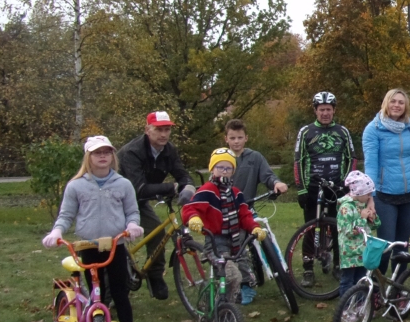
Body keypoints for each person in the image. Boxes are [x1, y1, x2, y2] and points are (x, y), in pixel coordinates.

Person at [42, 136, 145, 322]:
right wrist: (57, 232)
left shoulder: (123, 184)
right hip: (88, 247)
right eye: (97, 153)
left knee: (120, 293)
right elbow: (66, 215)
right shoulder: (76, 185)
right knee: (95, 294)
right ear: (88, 157)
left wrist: (132, 226)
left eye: (107, 152)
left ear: (112, 156)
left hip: (114, 245)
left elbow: (132, 212)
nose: (102, 157)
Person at [118, 111, 195, 300]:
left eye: (167, 129)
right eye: (158, 129)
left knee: (157, 233)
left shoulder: (169, 150)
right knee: (113, 244)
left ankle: (154, 276)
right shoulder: (132, 152)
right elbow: (140, 188)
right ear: (147, 130)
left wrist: (188, 187)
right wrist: (173, 187)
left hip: (140, 202)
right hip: (116, 200)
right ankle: (110, 292)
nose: (163, 134)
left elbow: (181, 173)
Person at [181, 149, 267, 306]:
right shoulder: (208, 190)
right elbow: (190, 207)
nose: (224, 172)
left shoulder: (235, 193)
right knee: (231, 275)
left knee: (237, 275)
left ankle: (225, 305)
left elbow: (244, 215)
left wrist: (254, 228)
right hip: (215, 241)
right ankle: (215, 305)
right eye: (220, 167)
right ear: (212, 169)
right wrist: (194, 218)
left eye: (228, 168)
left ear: (233, 171)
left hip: (235, 241)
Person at [293, 91, 357, 284]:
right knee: (310, 228)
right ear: (315, 110)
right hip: (313, 187)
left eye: (328, 109)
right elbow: (299, 161)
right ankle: (307, 269)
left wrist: (347, 185)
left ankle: (339, 264)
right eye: (321, 110)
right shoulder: (306, 132)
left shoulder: (342, 131)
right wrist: (302, 189)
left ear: (334, 110)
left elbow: (351, 158)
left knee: (339, 227)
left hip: (337, 186)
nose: (325, 113)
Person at [362, 88, 410, 273]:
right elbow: (371, 166)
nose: (397, 105)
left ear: (405, 106)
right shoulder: (373, 130)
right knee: (386, 244)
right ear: (386, 103)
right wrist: (370, 198)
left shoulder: (409, 125)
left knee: (402, 245)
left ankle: (398, 287)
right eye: (393, 101)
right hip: (385, 195)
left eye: (401, 102)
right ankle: (377, 286)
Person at [335, 170, 380, 297]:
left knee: (361, 280)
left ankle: (360, 305)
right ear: (358, 192)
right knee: (347, 282)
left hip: (363, 252)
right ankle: (346, 307)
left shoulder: (362, 204)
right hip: (349, 254)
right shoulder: (346, 208)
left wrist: (373, 214)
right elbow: (349, 232)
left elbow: (376, 225)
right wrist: (361, 218)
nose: (370, 196)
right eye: (368, 194)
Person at [224, 118, 287, 206]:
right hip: (225, 209)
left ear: (246, 138)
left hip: (248, 209)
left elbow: (268, 176)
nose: (236, 141)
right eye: (232, 138)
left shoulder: (255, 157)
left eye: (240, 137)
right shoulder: (220, 158)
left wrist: (276, 183)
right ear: (226, 139)